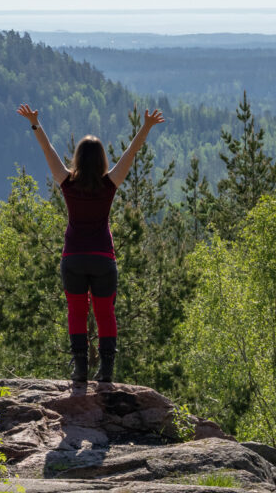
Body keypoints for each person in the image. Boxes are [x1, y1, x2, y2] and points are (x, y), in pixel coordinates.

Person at [16, 103, 166, 385]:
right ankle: (106, 371)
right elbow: (130, 154)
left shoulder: (66, 183)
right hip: (102, 258)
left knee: (76, 310)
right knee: (104, 311)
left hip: (73, 257)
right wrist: (145, 127)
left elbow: (48, 152)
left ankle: (80, 369)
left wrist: (35, 124)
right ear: (101, 161)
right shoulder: (110, 184)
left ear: (77, 158)